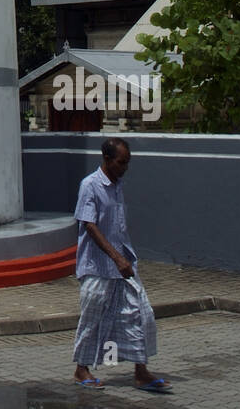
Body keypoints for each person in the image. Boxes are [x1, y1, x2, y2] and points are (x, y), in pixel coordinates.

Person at [71, 137, 172, 392]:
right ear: (106, 159)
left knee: (140, 313)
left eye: (127, 163)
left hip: (124, 266)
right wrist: (116, 258)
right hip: (97, 267)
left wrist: (125, 258)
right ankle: (81, 369)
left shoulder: (117, 185)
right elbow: (89, 225)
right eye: (121, 162)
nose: (125, 167)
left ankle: (141, 372)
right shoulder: (90, 185)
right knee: (92, 318)